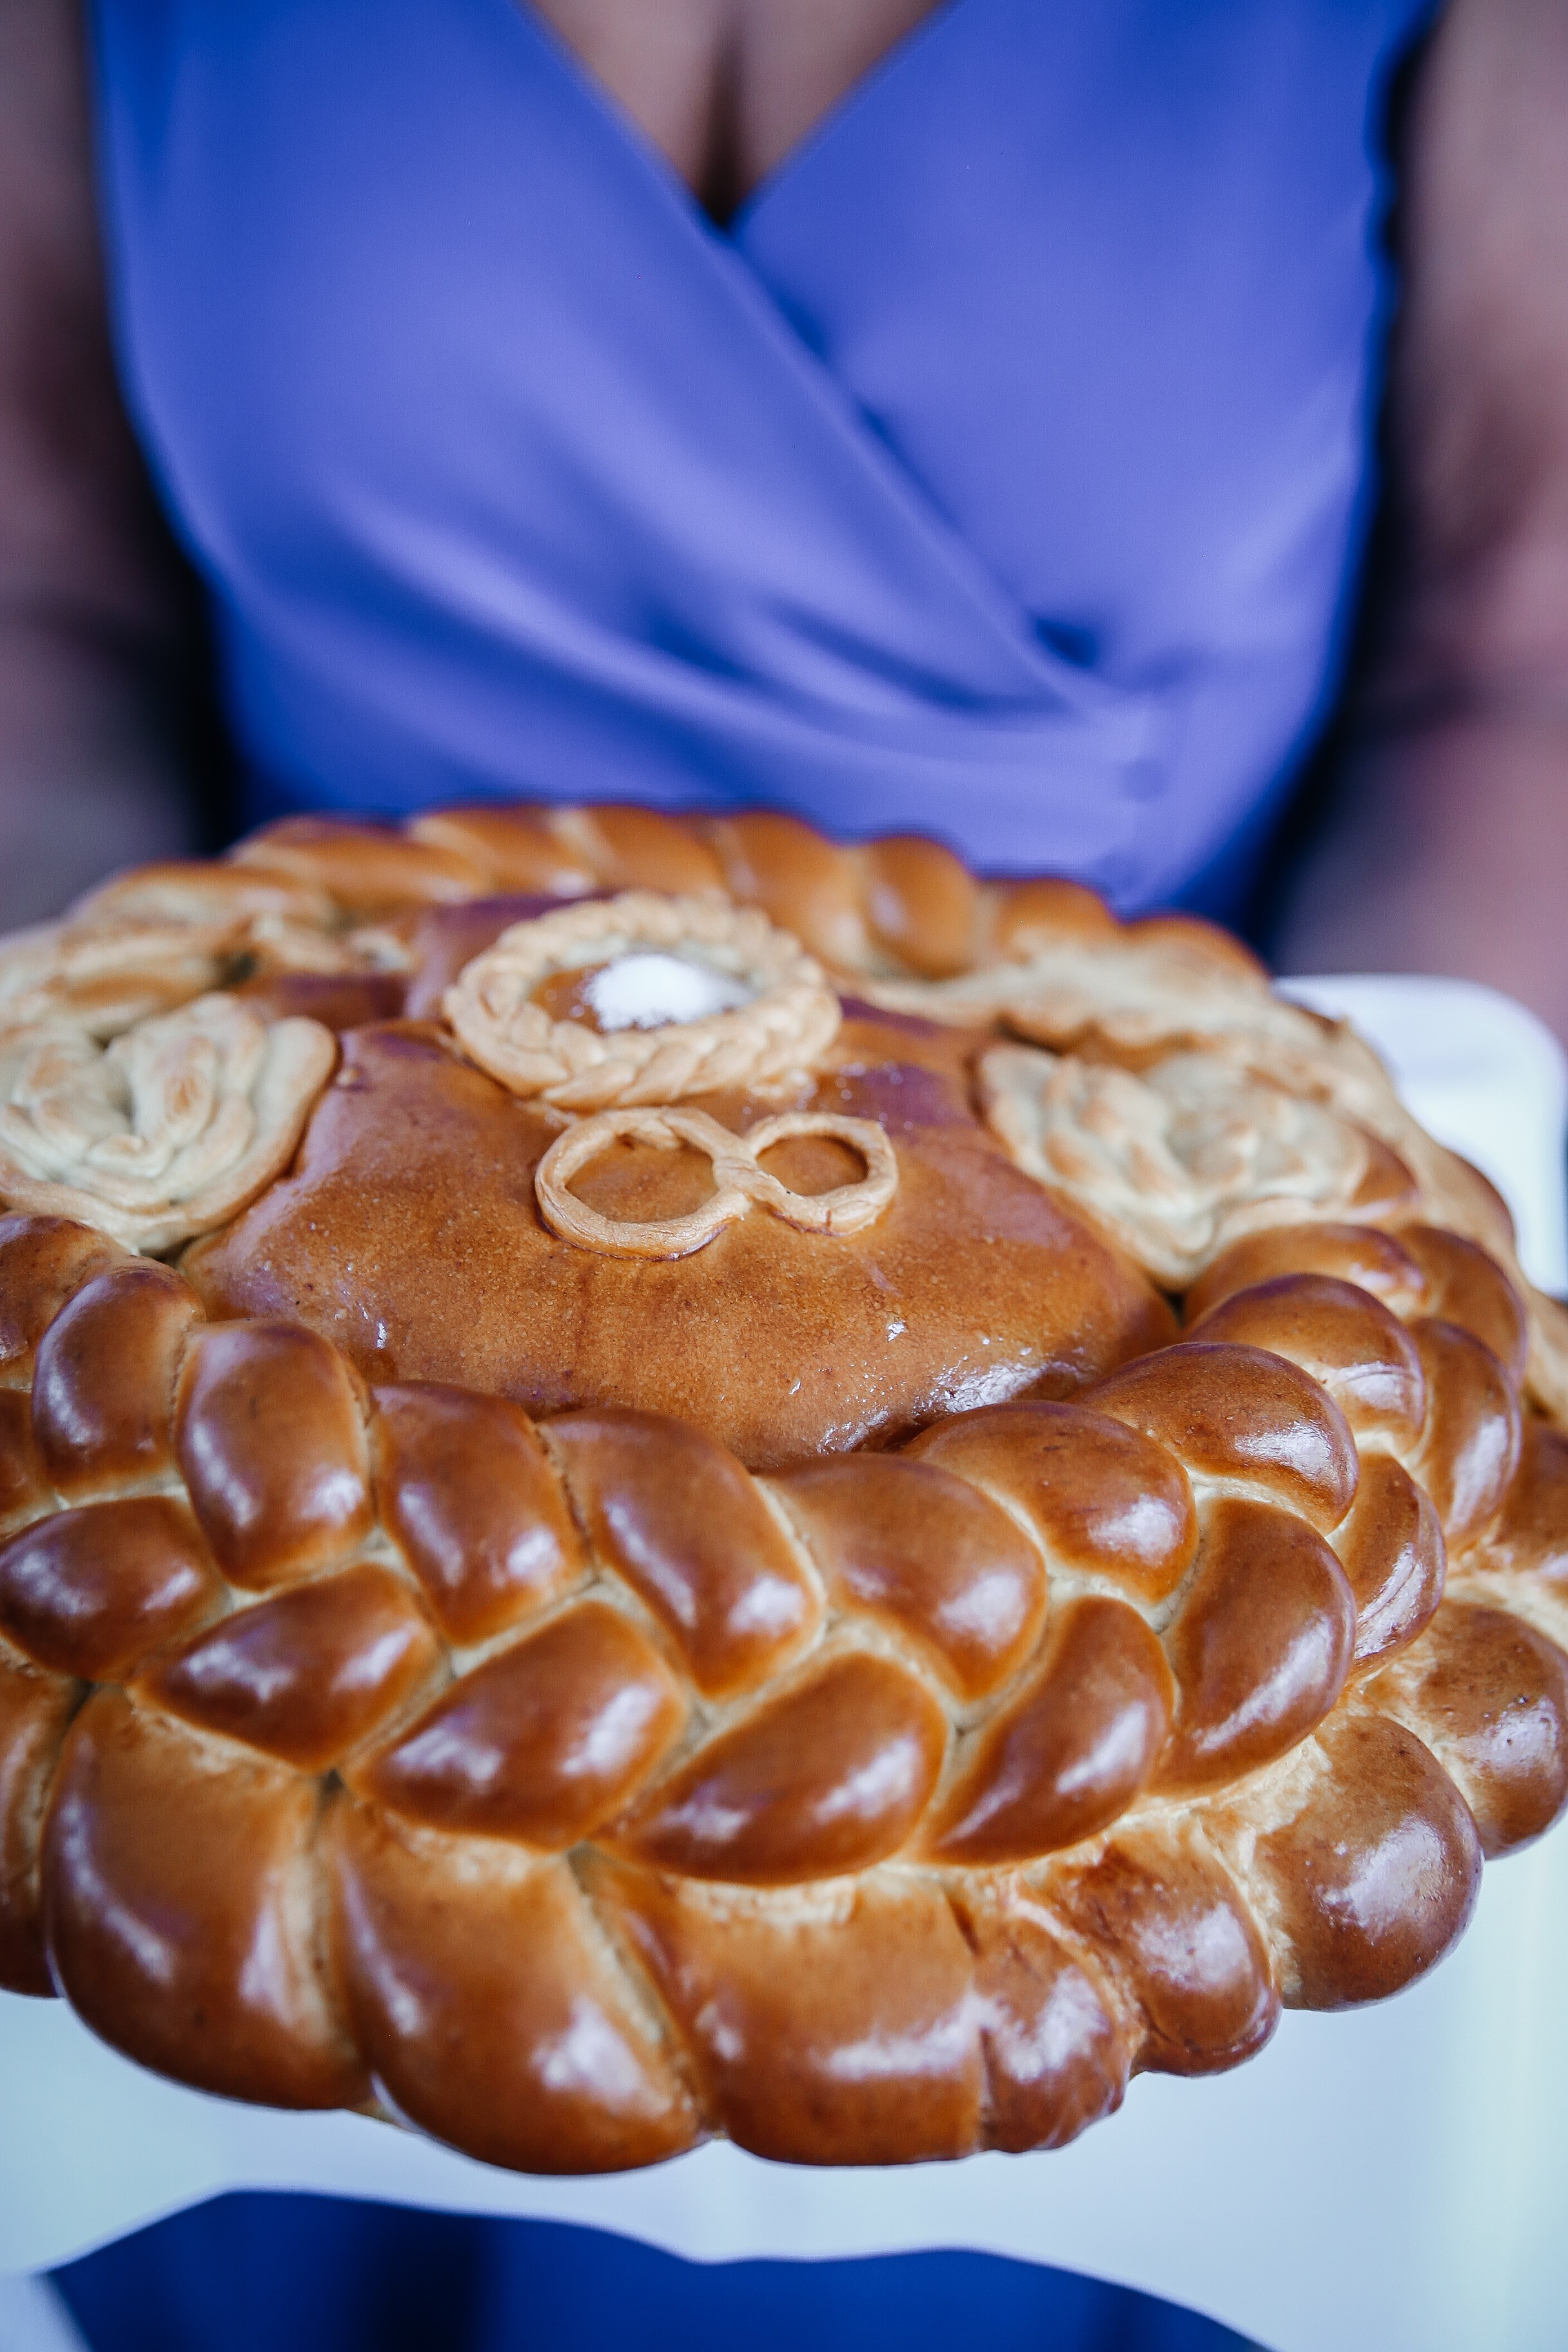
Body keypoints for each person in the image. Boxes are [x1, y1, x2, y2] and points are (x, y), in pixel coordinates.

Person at [1, 1, 1565, 2346]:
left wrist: (1347, 1214)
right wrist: (90, 1141)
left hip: (1127, 1329)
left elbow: (1513, 658)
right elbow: (46, 603)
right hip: (265, 1360)